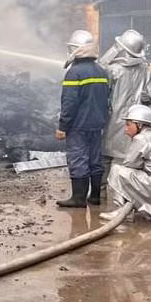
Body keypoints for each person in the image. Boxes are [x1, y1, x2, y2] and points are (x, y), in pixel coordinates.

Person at [56, 30, 109, 208]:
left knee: (78, 158)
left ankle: (78, 198)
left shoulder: (74, 72)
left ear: (76, 49)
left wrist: (63, 126)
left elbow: (69, 103)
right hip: (97, 124)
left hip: (78, 125)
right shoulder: (101, 71)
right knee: (95, 159)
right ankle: (94, 196)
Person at [100, 104, 151, 222]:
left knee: (117, 171)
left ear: (139, 125)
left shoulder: (141, 139)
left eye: (128, 124)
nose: (126, 129)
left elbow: (130, 164)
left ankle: (121, 212)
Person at [100, 29, 147, 184]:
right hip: (136, 118)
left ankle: (99, 191)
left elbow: (100, 68)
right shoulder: (144, 68)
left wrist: (112, 51)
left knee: (106, 155)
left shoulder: (114, 69)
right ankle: (127, 193)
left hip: (114, 117)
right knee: (131, 156)